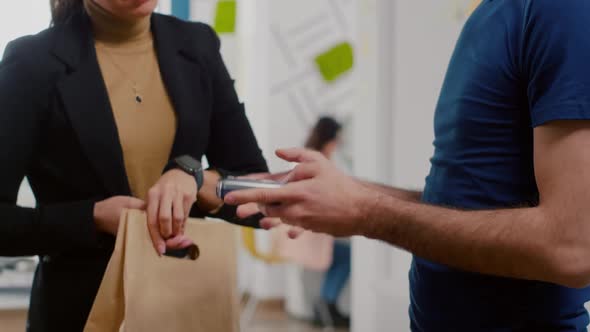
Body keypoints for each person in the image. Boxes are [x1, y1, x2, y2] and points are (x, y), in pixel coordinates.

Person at [226, 0, 590, 331]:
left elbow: (572, 247)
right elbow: (467, 201)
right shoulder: (491, 15)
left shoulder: (559, 9)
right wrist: (346, 193)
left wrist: (366, 211)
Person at [0, 0, 267, 330]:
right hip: (79, 310)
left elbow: (256, 187)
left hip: (184, 304)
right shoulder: (32, 62)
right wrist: (93, 218)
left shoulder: (197, 44)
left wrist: (193, 178)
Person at [303, 117, 350, 328]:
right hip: (312, 231)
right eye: (337, 138)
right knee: (346, 255)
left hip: (315, 229)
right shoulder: (318, 163)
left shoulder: (312, 158)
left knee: (344, 254)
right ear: (330, 139)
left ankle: (327, 303)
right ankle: (326, 303)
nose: (339, 143)